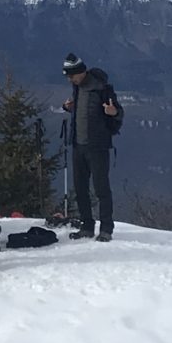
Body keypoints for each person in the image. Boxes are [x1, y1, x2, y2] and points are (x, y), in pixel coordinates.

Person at [62, 52, 123, 241]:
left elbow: (118, 112)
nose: (70, 79)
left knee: (101, 188)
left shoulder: (102, 89)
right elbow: (80, 112)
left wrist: (113, 113)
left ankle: (106, 228)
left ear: (81, 72)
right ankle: (87, 225)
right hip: (78, 145)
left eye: (72, 75)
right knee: (80, 188)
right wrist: (68, 107)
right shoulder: (77, 88)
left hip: (97, 146)